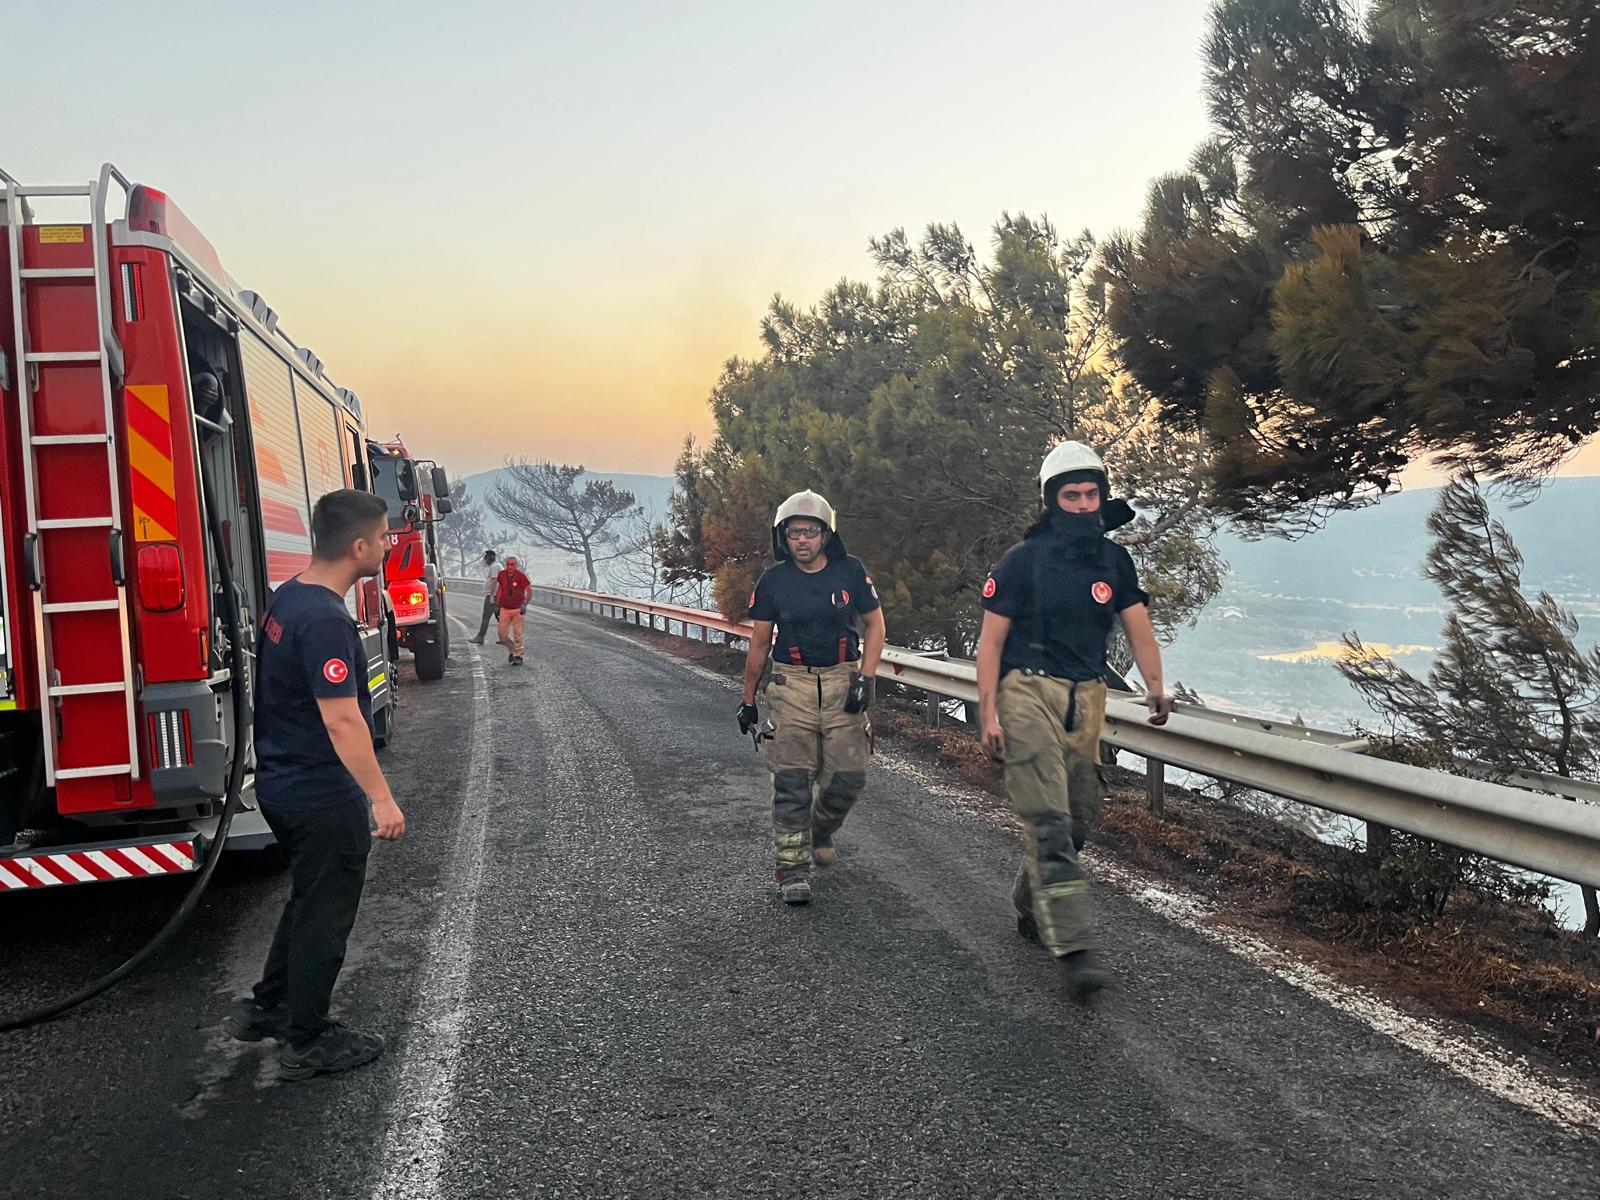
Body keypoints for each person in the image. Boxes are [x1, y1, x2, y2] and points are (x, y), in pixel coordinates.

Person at [975, 442, 1173, 1001]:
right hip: (1026, 689)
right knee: (1049, 821)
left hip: (1088, 697)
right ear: (1052, 500)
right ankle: (1074, 948)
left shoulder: (1114, 562)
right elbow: (990, 644)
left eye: (1091, 494)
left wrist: (1156, 685)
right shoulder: (1022, 561)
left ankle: (1029, 901)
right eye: (1072, 495)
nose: (1084, 504)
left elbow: (1139, 628)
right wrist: (988, 713)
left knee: (1077, 819)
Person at [226, 489, 406, 1079]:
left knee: (308, 899)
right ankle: (307, 1040)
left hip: (281, 783)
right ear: (358, 547)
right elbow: (342, 718)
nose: (388, 545)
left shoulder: (289, 596)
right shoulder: (326, 619)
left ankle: (270, 1006)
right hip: (319, 793)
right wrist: (381, 798)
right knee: (326, 915)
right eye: (383, 537)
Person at [739, 491, 886, 905]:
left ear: (826, 534)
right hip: (792, 686)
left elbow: (876, 626)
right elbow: (759, 644)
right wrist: (748, 701)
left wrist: (866, 678)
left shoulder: (851, 571)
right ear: (782, 537)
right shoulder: (773, 581)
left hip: (843, 681)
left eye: (810, 531)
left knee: (849, 778)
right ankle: (792, 871)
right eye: (794, 533)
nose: (801, 539)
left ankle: (821, 828)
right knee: (791, 782)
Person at [494, 554, 532, 665]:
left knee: (517, 633)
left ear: (515, 565)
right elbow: (500, 588)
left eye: (512, 565)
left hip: (517, 609)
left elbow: (529, 590)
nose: (510, 567)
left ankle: (518, 655)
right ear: (506, 565)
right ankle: (512, 649)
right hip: (504, 608)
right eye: (508, 564)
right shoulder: (501, 574)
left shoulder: (520, 576)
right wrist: (497, 604)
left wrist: (525, 604)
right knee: (502, 635)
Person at [469, 548, 499, 645]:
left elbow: (494, 581)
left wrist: (492, 596)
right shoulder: (495, 566)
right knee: (500, 617)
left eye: (486, 557)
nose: (485, 559)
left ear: (492, 557)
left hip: (493, 596)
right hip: (494, 595)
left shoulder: (495, 566)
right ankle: (506, 637)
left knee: (486, 617)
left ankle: (480, 637)